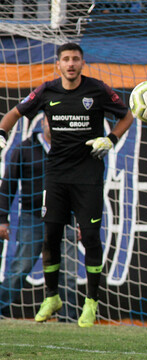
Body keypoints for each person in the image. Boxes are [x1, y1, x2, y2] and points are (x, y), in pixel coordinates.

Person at [0, 42, 134, 327]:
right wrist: (1, 131)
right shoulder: (47, 91)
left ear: (82, 63)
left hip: (88, 177)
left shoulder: (97, 90)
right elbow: (13, 114)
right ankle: (51, 297)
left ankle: (91, 303)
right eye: (66, 59)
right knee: (50, 237)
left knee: (90, 237)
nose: (71, 64)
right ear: (58, 64)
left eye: (75, 59)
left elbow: (128, 115)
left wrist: (110, 140)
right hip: (56, 176)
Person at [0, 116, 80, 322]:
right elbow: (8, 185)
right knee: (20, 268)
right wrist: (2, 218)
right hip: (33, 218)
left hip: (65, 218)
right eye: (50, 121)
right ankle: (1, 308)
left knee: (68, 273)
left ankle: (68, 318)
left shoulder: (69, 150)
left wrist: (81, 220)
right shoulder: (25, 149)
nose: (53, 125)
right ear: (43, 121)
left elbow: (80, 188)